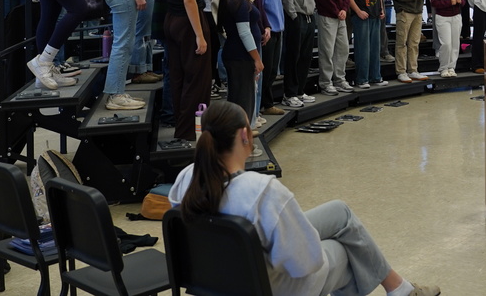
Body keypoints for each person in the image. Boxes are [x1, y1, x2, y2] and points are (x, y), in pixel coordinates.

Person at [169, 100, 440, 296]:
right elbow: (305, 264)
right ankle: (400, 290)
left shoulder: (186, 180)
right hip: (266, 286)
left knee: (340, 212)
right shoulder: (263, 191)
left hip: (215, 280)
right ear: (245, 135)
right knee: (344, 251)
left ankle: (400, 289)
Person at [158, 0, 211, 141]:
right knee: (197, 80)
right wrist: (199, 35)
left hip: (172, 21)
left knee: (179, 78)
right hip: (187, 23)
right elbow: (189, 0)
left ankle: (184, 128)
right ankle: (191, 131)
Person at [217, 0, 264, 121]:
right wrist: (256, 58)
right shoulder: (238, 1)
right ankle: (241, 140)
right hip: (241, 56)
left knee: (240, 99)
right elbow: (244, 32)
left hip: (236, 55)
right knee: (244, 102)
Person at [281, 0, 317, 109]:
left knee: (305, 56)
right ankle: (289, 93)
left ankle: (300, 90)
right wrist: (293, 15)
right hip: (297, 17)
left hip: (310, 15)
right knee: (293, 57)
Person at [314, 0, 354, 96]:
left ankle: (340, 79)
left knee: (343, 48)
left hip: (340, 15)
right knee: (327, 50)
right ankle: (326, 82)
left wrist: (344, 8)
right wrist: (336, 11)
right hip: (327, 16)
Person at [256, 0, 286, 116]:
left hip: (278, 31)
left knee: (273, 69)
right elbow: (262, 11)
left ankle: (267, 103)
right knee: (266, 70)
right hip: (269, 32)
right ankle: (263, 104)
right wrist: (265, 28)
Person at [431, 0, 464, 78]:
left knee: (455, 44)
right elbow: (434, 2)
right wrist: (449, 2)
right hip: (443, 17)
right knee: (446, 44)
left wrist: (460, 1)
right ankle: (443, 67)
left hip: (456, 16)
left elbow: (464, 1)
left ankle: (451, 67)